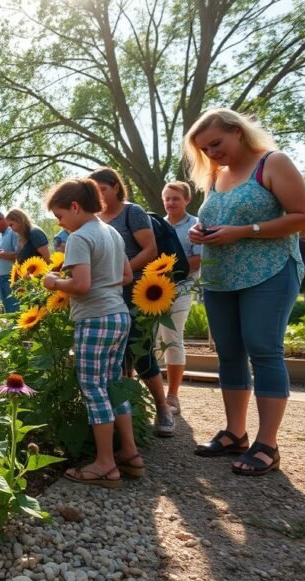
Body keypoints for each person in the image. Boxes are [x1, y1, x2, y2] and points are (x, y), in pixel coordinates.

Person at [186, 108, 305, 476]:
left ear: (238, 132)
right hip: (221, 277)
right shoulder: (215, 175)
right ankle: (235, 433)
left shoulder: (273, 163)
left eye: (216, 143)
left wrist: (244, 231)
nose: (211, 153)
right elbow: (217, 218)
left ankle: (268, 445)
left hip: (269, 272)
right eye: (204, 149)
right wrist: (200, 231)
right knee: (228, 354)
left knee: (264, 350)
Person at [43, 178, 139, 489]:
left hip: (95, 319)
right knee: (113, 384)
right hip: (119, 316)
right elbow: (126, 275)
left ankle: (105, 464)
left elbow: (81, 285)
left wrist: (55, 282)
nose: (60, 223)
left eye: (60, 216)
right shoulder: (111, 232)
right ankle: (129, 453)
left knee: (93, 389)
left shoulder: (80, 237)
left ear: (74, 206)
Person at [91, 167, 174, 438]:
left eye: (102, 189)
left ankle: (163, 407)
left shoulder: (132, 212)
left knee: (141, 350)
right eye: (94, 190)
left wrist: (119, 273)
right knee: (117, 356)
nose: (99, 195)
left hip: (138, 291)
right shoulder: (94, 219)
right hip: (107, 294)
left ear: (116, 186)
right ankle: (130, 410)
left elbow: (150, 249)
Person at [157, 182, 203, 415]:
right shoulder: (157, 225)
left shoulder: (196, 225)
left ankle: (173, 395)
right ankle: (152, 395)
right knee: (150, 341)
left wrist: (171, 272)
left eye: (175, 198)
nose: (171, 203)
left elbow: (197, 259)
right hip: (153, 290)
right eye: (167, 198)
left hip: (181, 289)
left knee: (173, 340)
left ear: (187, 200)